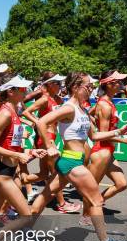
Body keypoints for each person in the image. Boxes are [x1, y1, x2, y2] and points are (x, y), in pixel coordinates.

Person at [32, 72, 127, 241]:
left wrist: (118, 132)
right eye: (87, 86)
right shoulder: (69, 108)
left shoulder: (84, 110)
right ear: (75, 87)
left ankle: (22, 231)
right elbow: (41, 121)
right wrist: (49, 145)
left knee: (45, 196)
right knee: (96, 200)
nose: (91, 89)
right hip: (71, 160)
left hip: (73, 161)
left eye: (91, 86)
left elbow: (94, 136)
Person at [0, 75, 48, 241]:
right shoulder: (4, 113)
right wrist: (18, 156)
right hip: (3, 172)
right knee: (26, 216)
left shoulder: (14, 110)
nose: (25, 91)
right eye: (21, 89)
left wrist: (30, 151)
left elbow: (13, 143)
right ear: (10, 92)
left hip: (9, 169)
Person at [81, 71, 127, 225]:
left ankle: (97, 203)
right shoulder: (105, 105)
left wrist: (91, 120)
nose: (121, 84)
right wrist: (124, 140)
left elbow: (88, 113)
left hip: (108, 152)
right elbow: (104, 134)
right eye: (118, 82)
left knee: (121, 184)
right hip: (101, 152)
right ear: (110, 84)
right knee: (92, 188)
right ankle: (86, 215)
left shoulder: (106, 102)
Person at [20, 72, 81, 213]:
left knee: (43, 174)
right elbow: (26, 112)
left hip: (52, 136)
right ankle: (61, 204)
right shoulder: (44, 99)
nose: (60, 86)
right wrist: (38, 122)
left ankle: (11, 184)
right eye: (57, 83)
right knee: (56, 172)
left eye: (60, 83)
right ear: (49, 84)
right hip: (45, 137)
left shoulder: (57, 99)